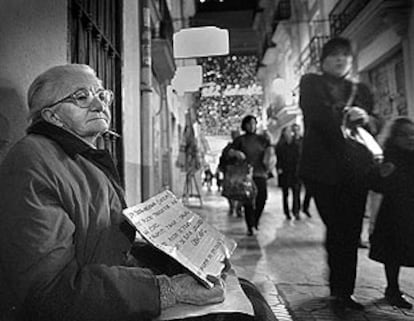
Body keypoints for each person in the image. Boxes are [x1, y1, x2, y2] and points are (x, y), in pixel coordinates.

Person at [0, 64, 277, 321]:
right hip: (85, 307)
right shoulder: (32, 163)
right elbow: (49, 290)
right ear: (52, 116)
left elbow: (108, 245)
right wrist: (167, 290)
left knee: (245, 290)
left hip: (109, 291)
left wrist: (184, 260)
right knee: (248, 313)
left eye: (101, 94)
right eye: (81, 97)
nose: (99, 105)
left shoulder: (83, 157)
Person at [298, 37, 379, 310]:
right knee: (337, 228)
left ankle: (345, 292)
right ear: (323, 60)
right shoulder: (311, 82)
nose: (340, 59)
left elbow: (376, 123)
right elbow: (316, 114)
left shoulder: (361, 90)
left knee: (351, 231)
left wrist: (365, 118)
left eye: (345, 55)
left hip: (356, 170)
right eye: (334, 55)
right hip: (322, 170)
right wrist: (345, 115)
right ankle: (338, 287)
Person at [368, 117, 414, 309]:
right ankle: (392, 290)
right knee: (393, 253)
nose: (410, 138)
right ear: (394, 137)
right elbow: (376, 185)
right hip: (395, 213)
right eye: (404, 134)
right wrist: (382, 174)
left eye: (413, 134)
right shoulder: (390, 157)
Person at [228, 115, 270, 236]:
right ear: (245, 125)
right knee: (248, 200)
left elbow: (271, 150)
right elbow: (229, 152)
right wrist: (236, 153)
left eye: (254, 123)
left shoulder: (262, 139)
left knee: (262, 198)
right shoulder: (240, 140)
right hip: (246, 174)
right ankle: (250, 225)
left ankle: (255, 221)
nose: (252, 126)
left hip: (260, 173)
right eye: (249, 123)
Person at [275, 125, 302, 220]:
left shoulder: (297, 144)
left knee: (296, 192)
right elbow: (278, 159)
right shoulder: (280, 145)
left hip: (295, 171)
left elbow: (299, 157)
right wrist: (279, 168)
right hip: (285, 172)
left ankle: (296, 211)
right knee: (285, 193)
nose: (290, 133)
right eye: (287, 131)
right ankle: (287, 212)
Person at [218, 129, 243, 217]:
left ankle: (237, 207)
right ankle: (233, 207)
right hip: (231, 172)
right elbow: (222, 159)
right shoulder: (228, 148)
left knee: (240, 191)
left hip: (239, 172)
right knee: (231, 191)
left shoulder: (241, 146)